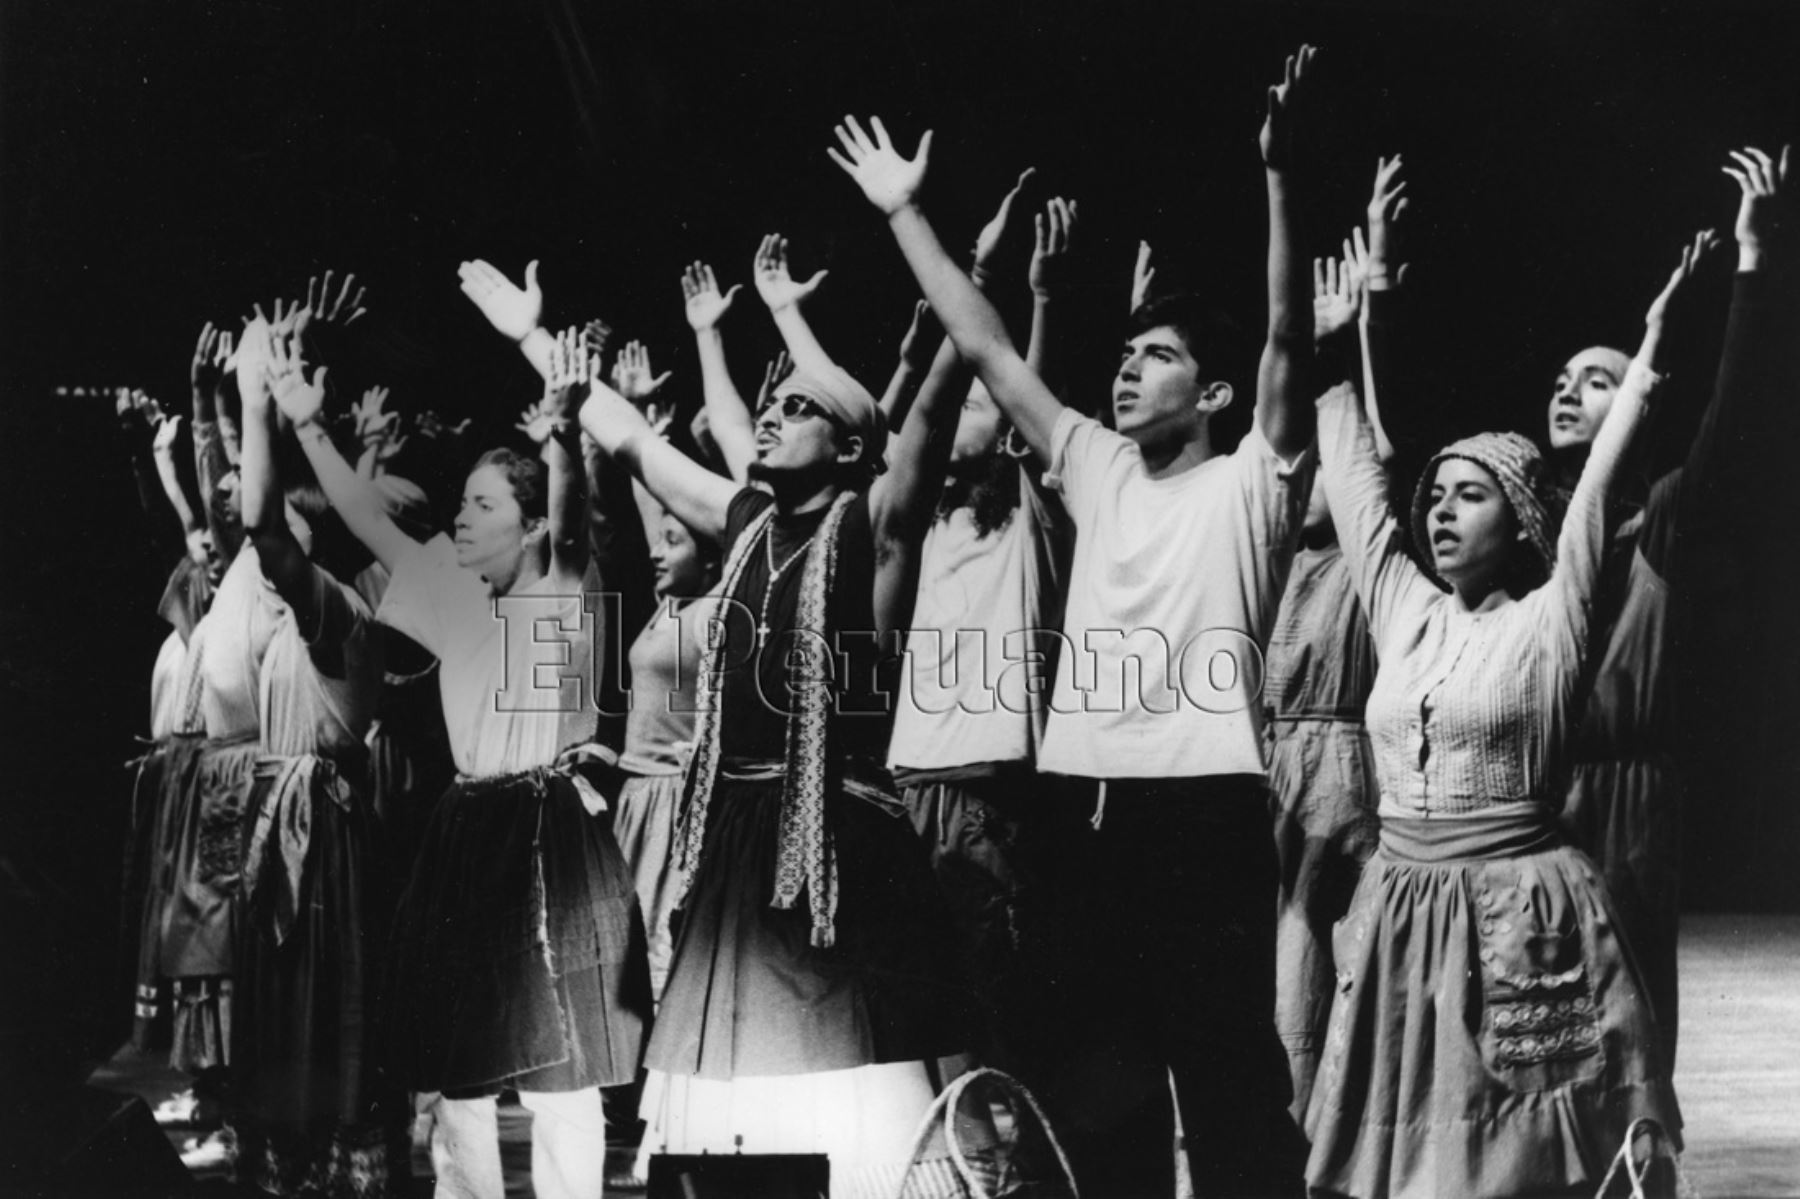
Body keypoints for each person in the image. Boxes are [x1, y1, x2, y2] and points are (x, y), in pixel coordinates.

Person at [832, 46, 1321, 1197]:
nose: (1127, 370)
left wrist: (1284, 181)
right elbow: (989, 346)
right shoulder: (1095, 466)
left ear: (1212, 391)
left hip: (1204, 819)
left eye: (1157, 356)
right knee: (1102, 1100)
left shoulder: (1256, 478)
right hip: (1087, 816)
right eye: (1126, 352)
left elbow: (1290, 337)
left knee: (1231, 1091)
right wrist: (906, 215)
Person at [1301, 233, 1712, 1198]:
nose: (1440, 512)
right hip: (1403, 903)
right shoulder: (1403, 606)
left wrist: (1650, 349)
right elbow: (1360, 491)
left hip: (1520, 905)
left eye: (1469, 495)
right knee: (1410, 1153)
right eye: (1435, 496)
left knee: (1518, 1153)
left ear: (1520, 516)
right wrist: (1332, 354)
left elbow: (1605, 477)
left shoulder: (1553, 618)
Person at [577, 233, 971, 1194]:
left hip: (838, 844)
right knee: (731, 1100)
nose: (771, 416)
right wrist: (549, 359)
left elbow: (934, 403)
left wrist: (969, 271)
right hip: (739, 846)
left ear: (845, 444)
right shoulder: (747, 523)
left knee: (843, 1091)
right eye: (773, 403)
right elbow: (636, 441)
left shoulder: (873, 528)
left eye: (799, 409)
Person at [280, 318, 649, 1199]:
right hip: (467, 827)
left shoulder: (561, 591)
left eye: (483, 505)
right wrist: (306, 426)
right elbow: (368, 518)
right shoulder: (452, 589)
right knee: (458, 1063)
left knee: (565, 1067)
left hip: (549, 834)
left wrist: (561, 431)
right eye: (463, 503)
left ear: (524, 527)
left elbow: (569, 525)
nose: (460, 516)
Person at [1547, 145, 1797, 1070]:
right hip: (1530, 789)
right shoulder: (1524, 526)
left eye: (1598, 379)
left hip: (1622, 795)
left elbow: (1733, 420)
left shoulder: (1660, 519)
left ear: (1642, 404)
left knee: (1626, 1027)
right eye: (1562, 381)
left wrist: (1752, 267)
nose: (1570, 390)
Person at [884, 182, 1077, 1087]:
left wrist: (1032, 292)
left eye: (976, 407)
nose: (961, 406)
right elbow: (917, 411)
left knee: (1003, 1000)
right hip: (911, 777)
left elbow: (1013, 380)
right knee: (923, 1004)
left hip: (990, 788)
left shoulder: (1027, 512)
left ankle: (1022, 1172)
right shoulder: (916, 521)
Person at [228, 311, 410, 1194]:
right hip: (290, 822)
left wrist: (258, 405)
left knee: (315, 1005)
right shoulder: (311, 610)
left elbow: (262, 525)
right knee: (285, 1002)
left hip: (322, 841)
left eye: (297, 541)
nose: (274, 557)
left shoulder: (340, 612)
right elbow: (256, 522)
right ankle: (291, 1161)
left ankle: (319, 1168)